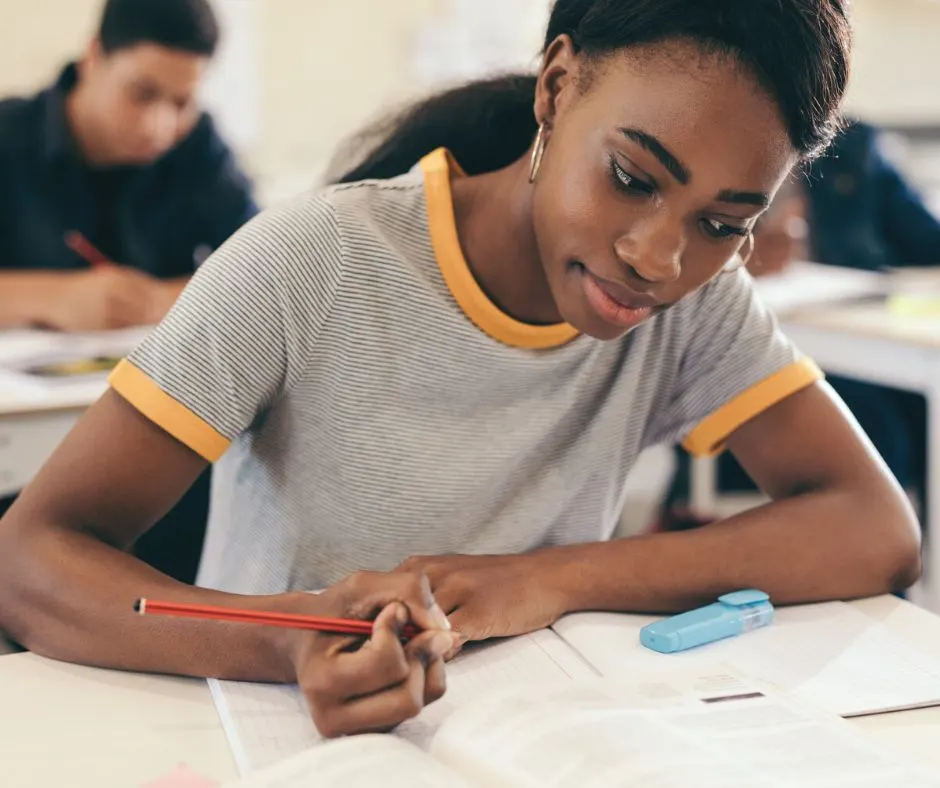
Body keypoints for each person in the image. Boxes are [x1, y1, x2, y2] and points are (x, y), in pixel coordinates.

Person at [0, 0, 922, 739]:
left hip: (533, 738)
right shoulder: (311, 260)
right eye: (633, 178)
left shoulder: (696, 307)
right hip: (272, 739)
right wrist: (289, 643)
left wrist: (551, 578)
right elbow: (29, 557)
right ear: (556, 88)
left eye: (723, 224)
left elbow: (873, 527)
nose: (657, 256)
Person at [0, 0, 258, 582]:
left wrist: (163, 298)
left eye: (182, 102)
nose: (159, 126)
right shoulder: (7, 137)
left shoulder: (198, 149)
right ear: (93, 57)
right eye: (141, 94)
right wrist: (51, 298)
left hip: (161, 428)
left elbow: (268, 268)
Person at [671, 120, 939, 526]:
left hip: (858, 338)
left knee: (918, 415)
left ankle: (916, 569)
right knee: (879, 425)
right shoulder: (713, 137)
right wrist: (743, 260)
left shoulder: (858, 147)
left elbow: (925, 238)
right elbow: (677, 253)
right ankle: (873, 554)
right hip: (766, 353)